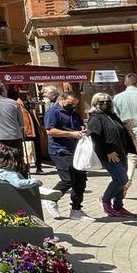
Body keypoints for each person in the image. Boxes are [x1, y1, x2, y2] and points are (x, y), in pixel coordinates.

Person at [44, 91, 93, 222]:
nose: (72, 106)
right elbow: (50, 131)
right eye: (70, 103)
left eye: (75, 104)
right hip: (60, 150)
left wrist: (84, 131)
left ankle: (76, 209)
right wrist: (71, 134)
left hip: (75, 150)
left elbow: (79, 127)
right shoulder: (53, 112)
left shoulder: (74, 113)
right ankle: (50, 199)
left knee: (80, 180)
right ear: (62, 99)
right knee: (68, 179)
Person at [86, 92, 136, 218]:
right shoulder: (95, 117)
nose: (105, 104)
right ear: (95, 103)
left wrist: (130, 148)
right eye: (101, 102)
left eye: (107, 101)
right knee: (121, 179)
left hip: (121, 152)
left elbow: (122, 133)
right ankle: (105, 199)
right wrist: (108, 151)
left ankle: (118, 206)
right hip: (108, 154)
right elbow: (96, 137)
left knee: (121, 180)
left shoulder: (113, 115)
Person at [0, 143, 64, 220]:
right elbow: (18, 183)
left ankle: (43, 193)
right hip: (10, 196)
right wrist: (35, 181)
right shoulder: (8, 172)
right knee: (31, 185)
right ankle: (43, 194)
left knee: (28, 185)